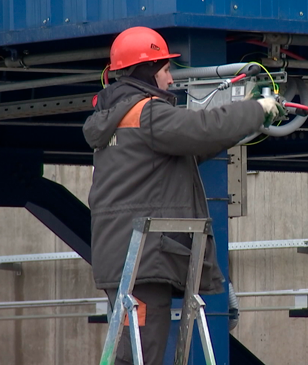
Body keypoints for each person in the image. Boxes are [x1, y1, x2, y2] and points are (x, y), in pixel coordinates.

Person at [82, 26, 283, 365]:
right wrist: (257, 109)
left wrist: (233, 129)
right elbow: (203, 129)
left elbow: (192, 146)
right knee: (138, 357)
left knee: (134, 351)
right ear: (146, 70)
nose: (171, 78)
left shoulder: (119, 118)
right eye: (164, 68)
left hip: (130, 259)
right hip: (142, 261)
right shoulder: (147, 114)